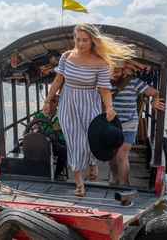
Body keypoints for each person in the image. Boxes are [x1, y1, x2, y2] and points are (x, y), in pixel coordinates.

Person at [43, 23, 134, 197]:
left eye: (85, 40)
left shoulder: (100, 62)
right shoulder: (66, 56)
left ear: (92, 41)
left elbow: (104, 89)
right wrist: (48, 101)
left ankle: (92, 162)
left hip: (89, 102)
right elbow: (57, 81)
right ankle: (79, 182)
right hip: (68, 103)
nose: (81, 43)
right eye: (78, 39)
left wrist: (109, 108)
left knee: (90, 139)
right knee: (74, 142)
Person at [109, 71, 165, 185]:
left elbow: (154, 92)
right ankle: (115, 179)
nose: (115, 71)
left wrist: (155, 101)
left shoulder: (134, 81)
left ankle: (125, 185)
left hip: (129, 123)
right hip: (111, 123)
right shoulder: (105, 80)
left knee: (121, 155)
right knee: (112, 155)